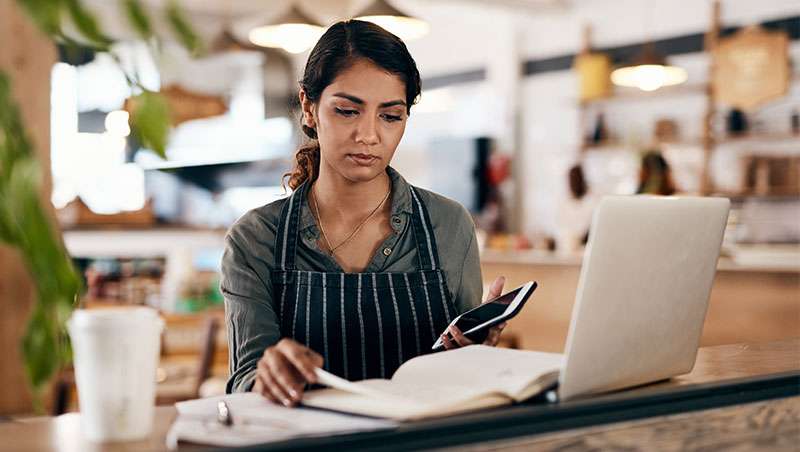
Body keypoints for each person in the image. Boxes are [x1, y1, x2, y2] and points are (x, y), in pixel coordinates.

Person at [221, 20, 507, 408]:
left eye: (390, 116)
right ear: (309, 107)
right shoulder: (255, 238)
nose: (368, 135)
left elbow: (464, 378)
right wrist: (265, 375)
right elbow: (245, 378)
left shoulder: (449, 224)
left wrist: (478, 349)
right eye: (347, 111)